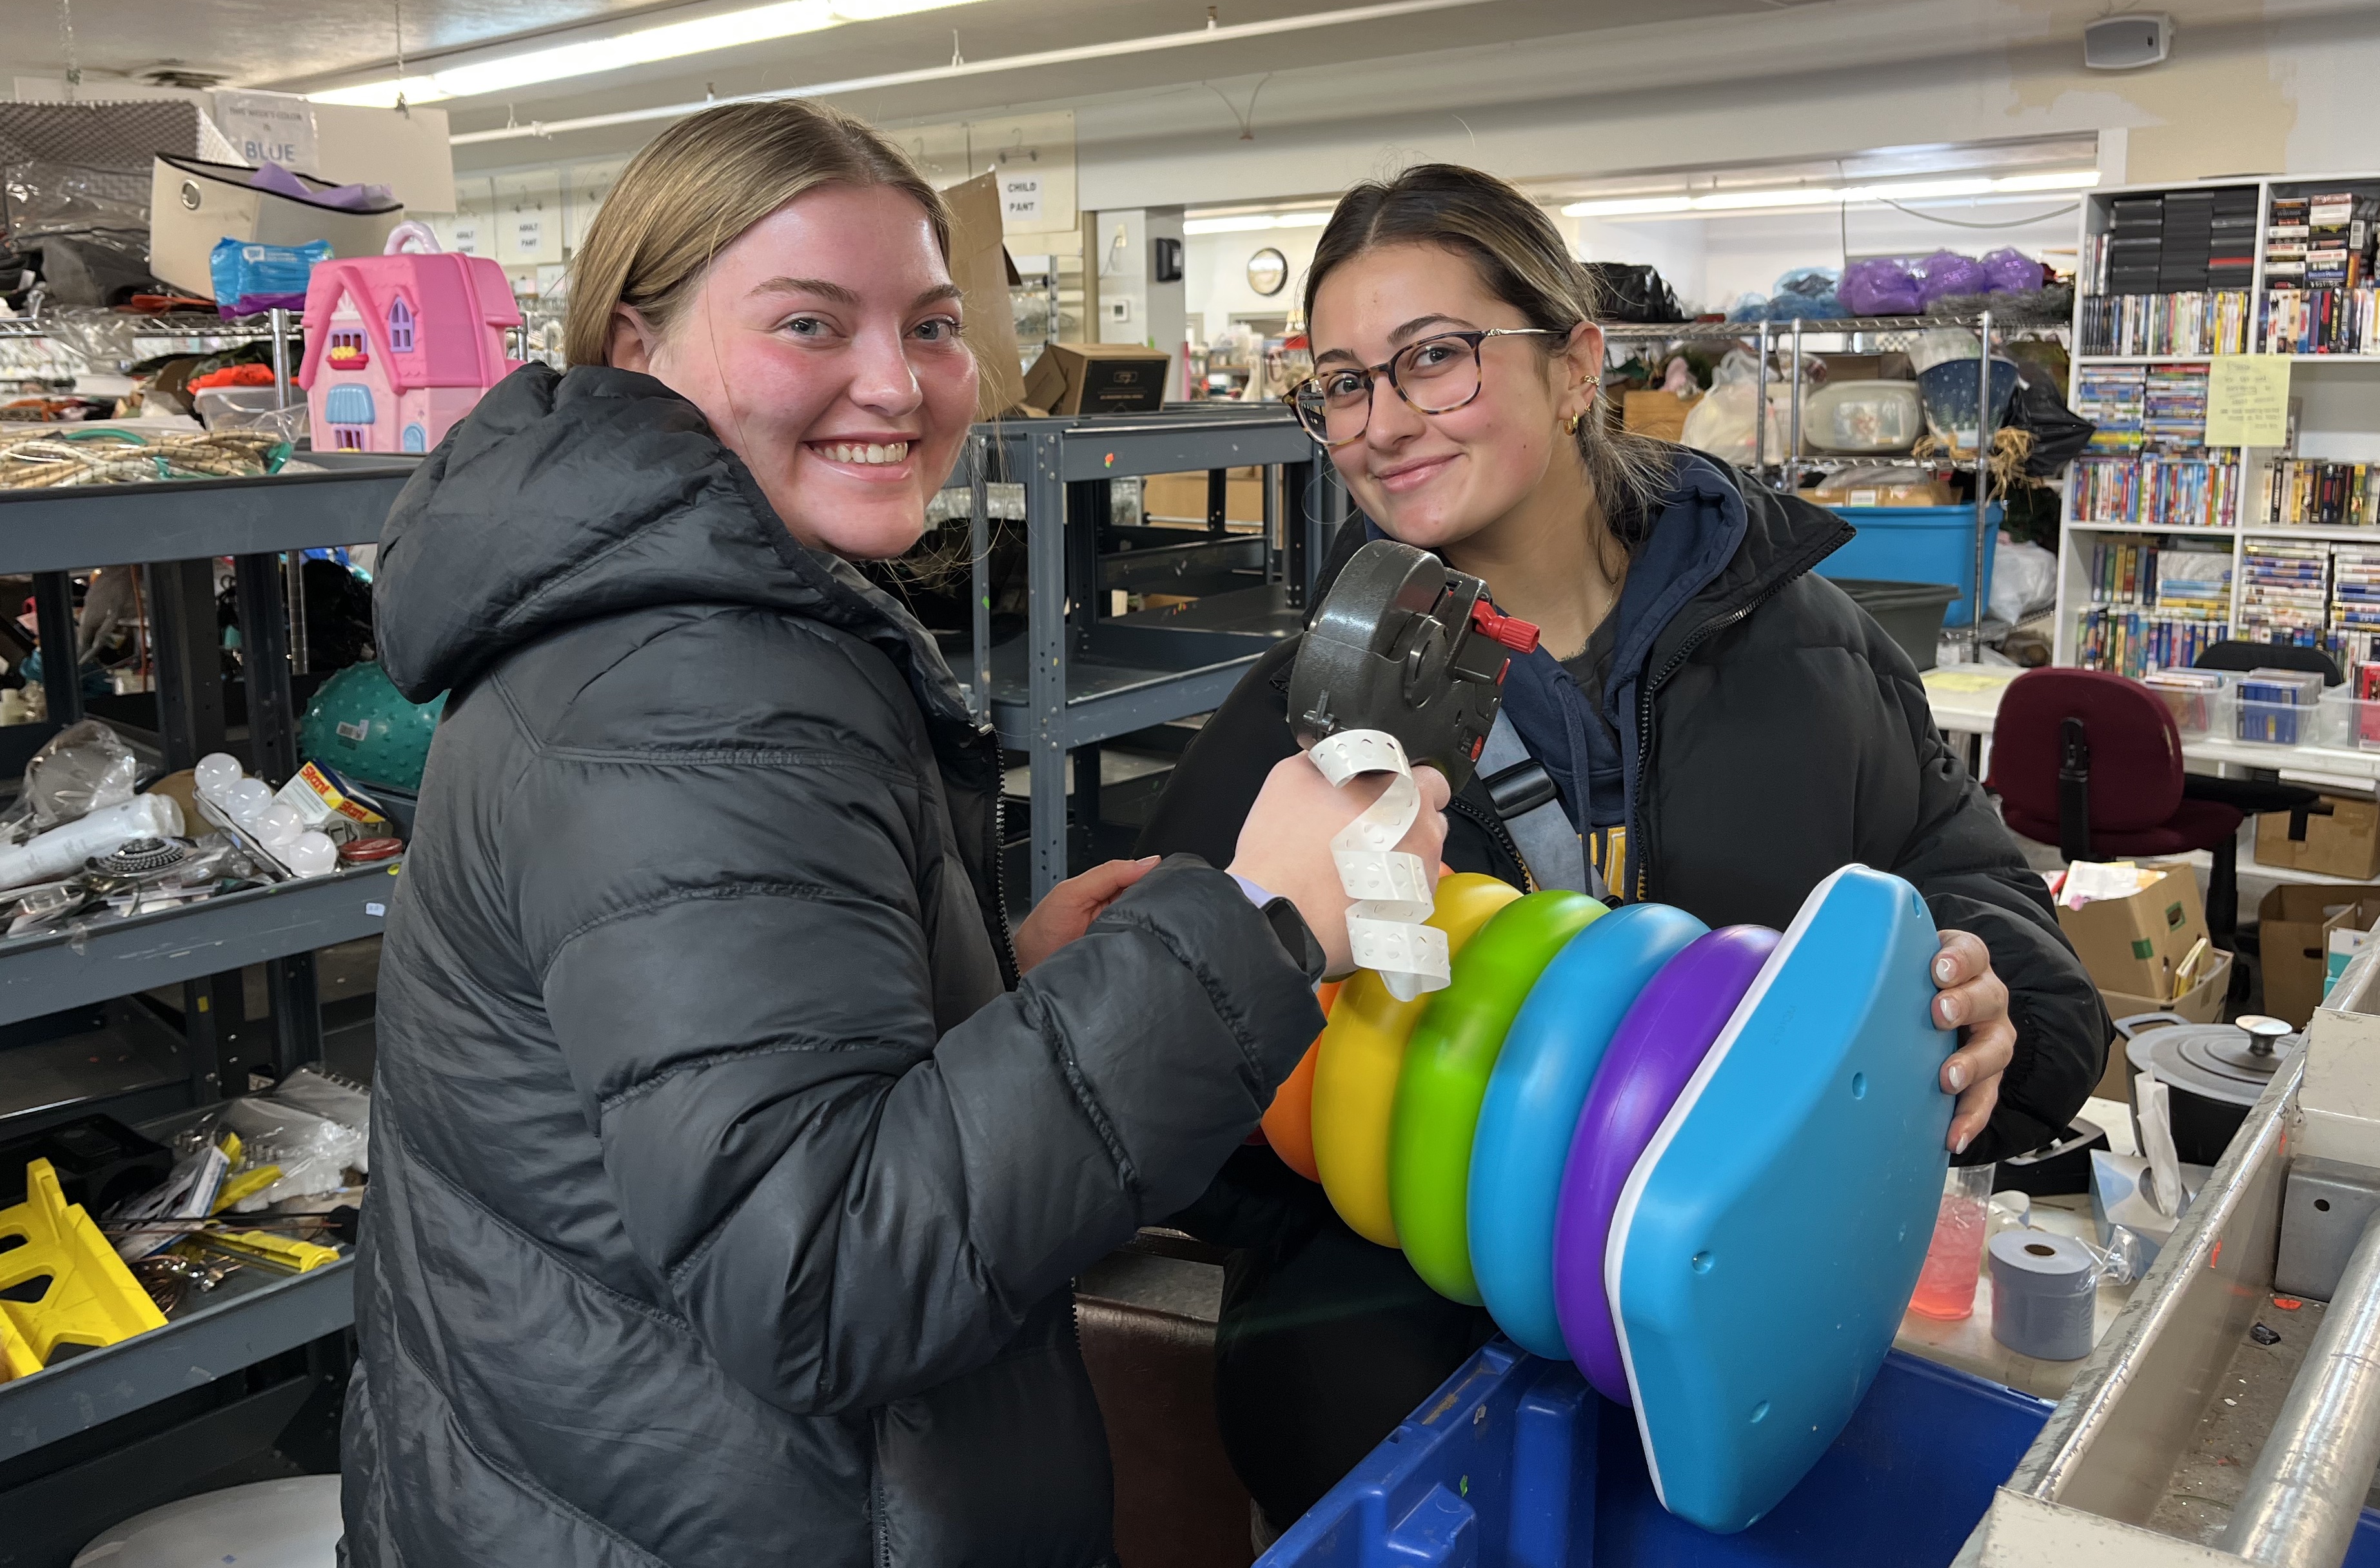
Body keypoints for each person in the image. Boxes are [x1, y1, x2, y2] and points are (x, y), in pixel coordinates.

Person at [343, 101, 1450, 1568]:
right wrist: (1258, 923)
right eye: (809, 323)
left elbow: (738, 1091)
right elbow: (823, 1281)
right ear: (635, 347)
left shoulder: (674, 626)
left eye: (932, 324)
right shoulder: (690, 693)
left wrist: (979, 985)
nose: (899, 382)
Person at [1135, 163, 2110, 1539]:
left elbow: (2014, 953)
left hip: (1757, 1379)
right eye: (1343, 383)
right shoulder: (1296, 729)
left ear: (1577, 362)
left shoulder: (1808, 649)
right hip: (1419, 1433)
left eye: (1433, 359)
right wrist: (1422, 1173)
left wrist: (1974, 1001)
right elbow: (1166, 1128)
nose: (1380, 424)